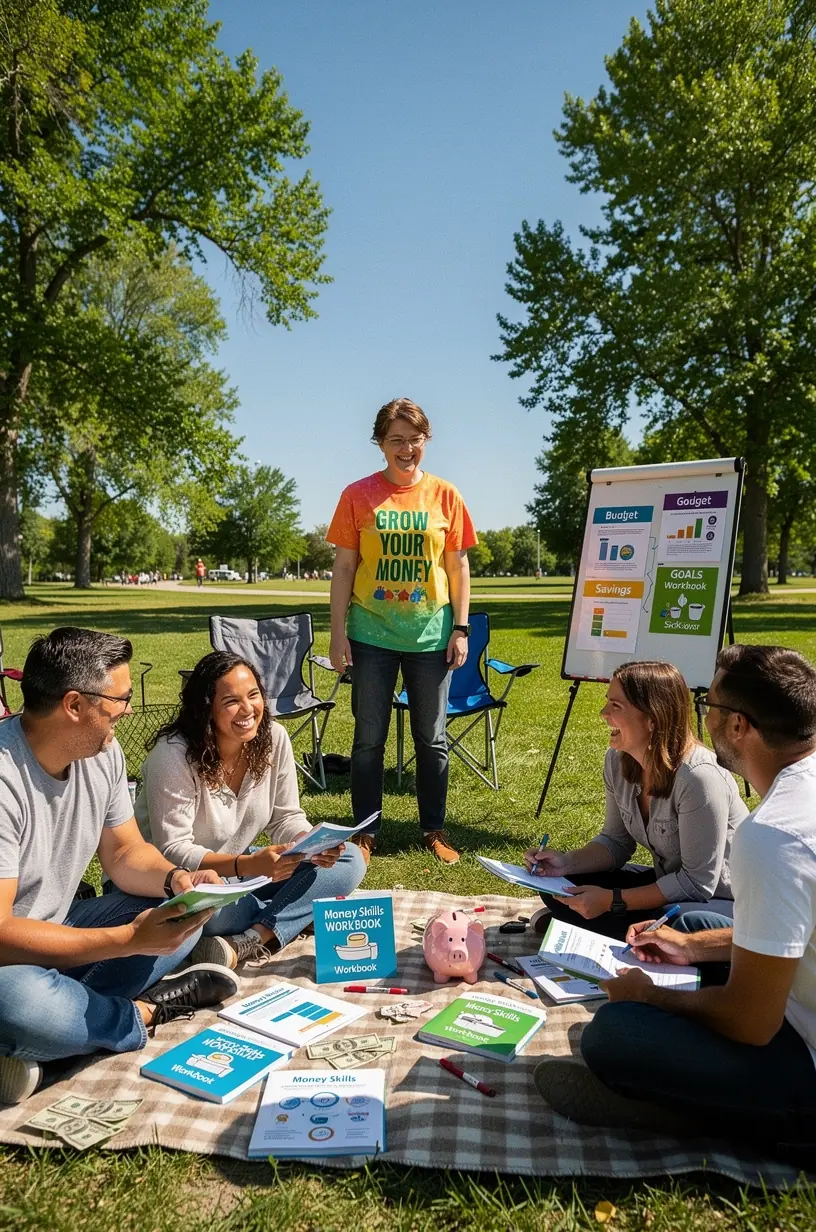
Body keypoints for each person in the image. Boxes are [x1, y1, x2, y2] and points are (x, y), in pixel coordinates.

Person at [534, 644, 816, 1161]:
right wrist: (691, 948)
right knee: (690, 926)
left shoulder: (773, 835)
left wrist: (651, 998)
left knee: (611, 1034)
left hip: (803, 1056)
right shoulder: (797, 805)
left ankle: (688, 1110)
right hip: (793, 997)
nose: (700, 716)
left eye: (709, 703)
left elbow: (751, 1020)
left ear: (738, 726)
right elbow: (798, 929)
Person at [0, 628, 238, 1108]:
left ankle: (56, 1038)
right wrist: (127, 940)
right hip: (8, 960)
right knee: (17, 1003)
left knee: (179, 918)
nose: (127, 710)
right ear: (74, 705)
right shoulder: (6, 778)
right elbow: (2, 933)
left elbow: (126, 853)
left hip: (60, 931)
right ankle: (145, 1013)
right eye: (120, 699)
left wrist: (176, 881)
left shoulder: (102, 752)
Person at [135, 651, 367, 969]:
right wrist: (248, 865)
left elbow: (286, 816)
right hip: (176, 882)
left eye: (254, 695)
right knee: (215, 913)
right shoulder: (173, 756)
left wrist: (310, 843)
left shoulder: (273, 738)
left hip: (242, 872)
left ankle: (253, 938)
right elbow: (173, 850)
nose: (248, 709)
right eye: (231, 701)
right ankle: (294, 913)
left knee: (350, 860)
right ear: (206, 708)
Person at [327, 397, 477, 865]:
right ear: (380, 443)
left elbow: (458, 567)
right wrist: (337, 633)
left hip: (431, 637)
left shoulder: (446, 495)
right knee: (368, 739)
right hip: (369, 635)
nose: (406, 448)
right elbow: (344, 568)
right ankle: (365, 832)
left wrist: (461, 628)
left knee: (431, 739)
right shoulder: (357, 495)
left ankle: (434, 829)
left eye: (415, 439)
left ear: (426, 440)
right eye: (396, 440)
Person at [524, 660, 747, 940]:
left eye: (616, 706)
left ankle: (593, 925)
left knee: (676, 923)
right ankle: (604, 926)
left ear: (653, 718)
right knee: (564, 885)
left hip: (723, 900)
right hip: (671, 884)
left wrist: (612, 901)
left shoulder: (699, 777)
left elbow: (697, 883)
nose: (603, 713)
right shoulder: (617, 761)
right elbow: (615, 842)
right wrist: (565, 863)